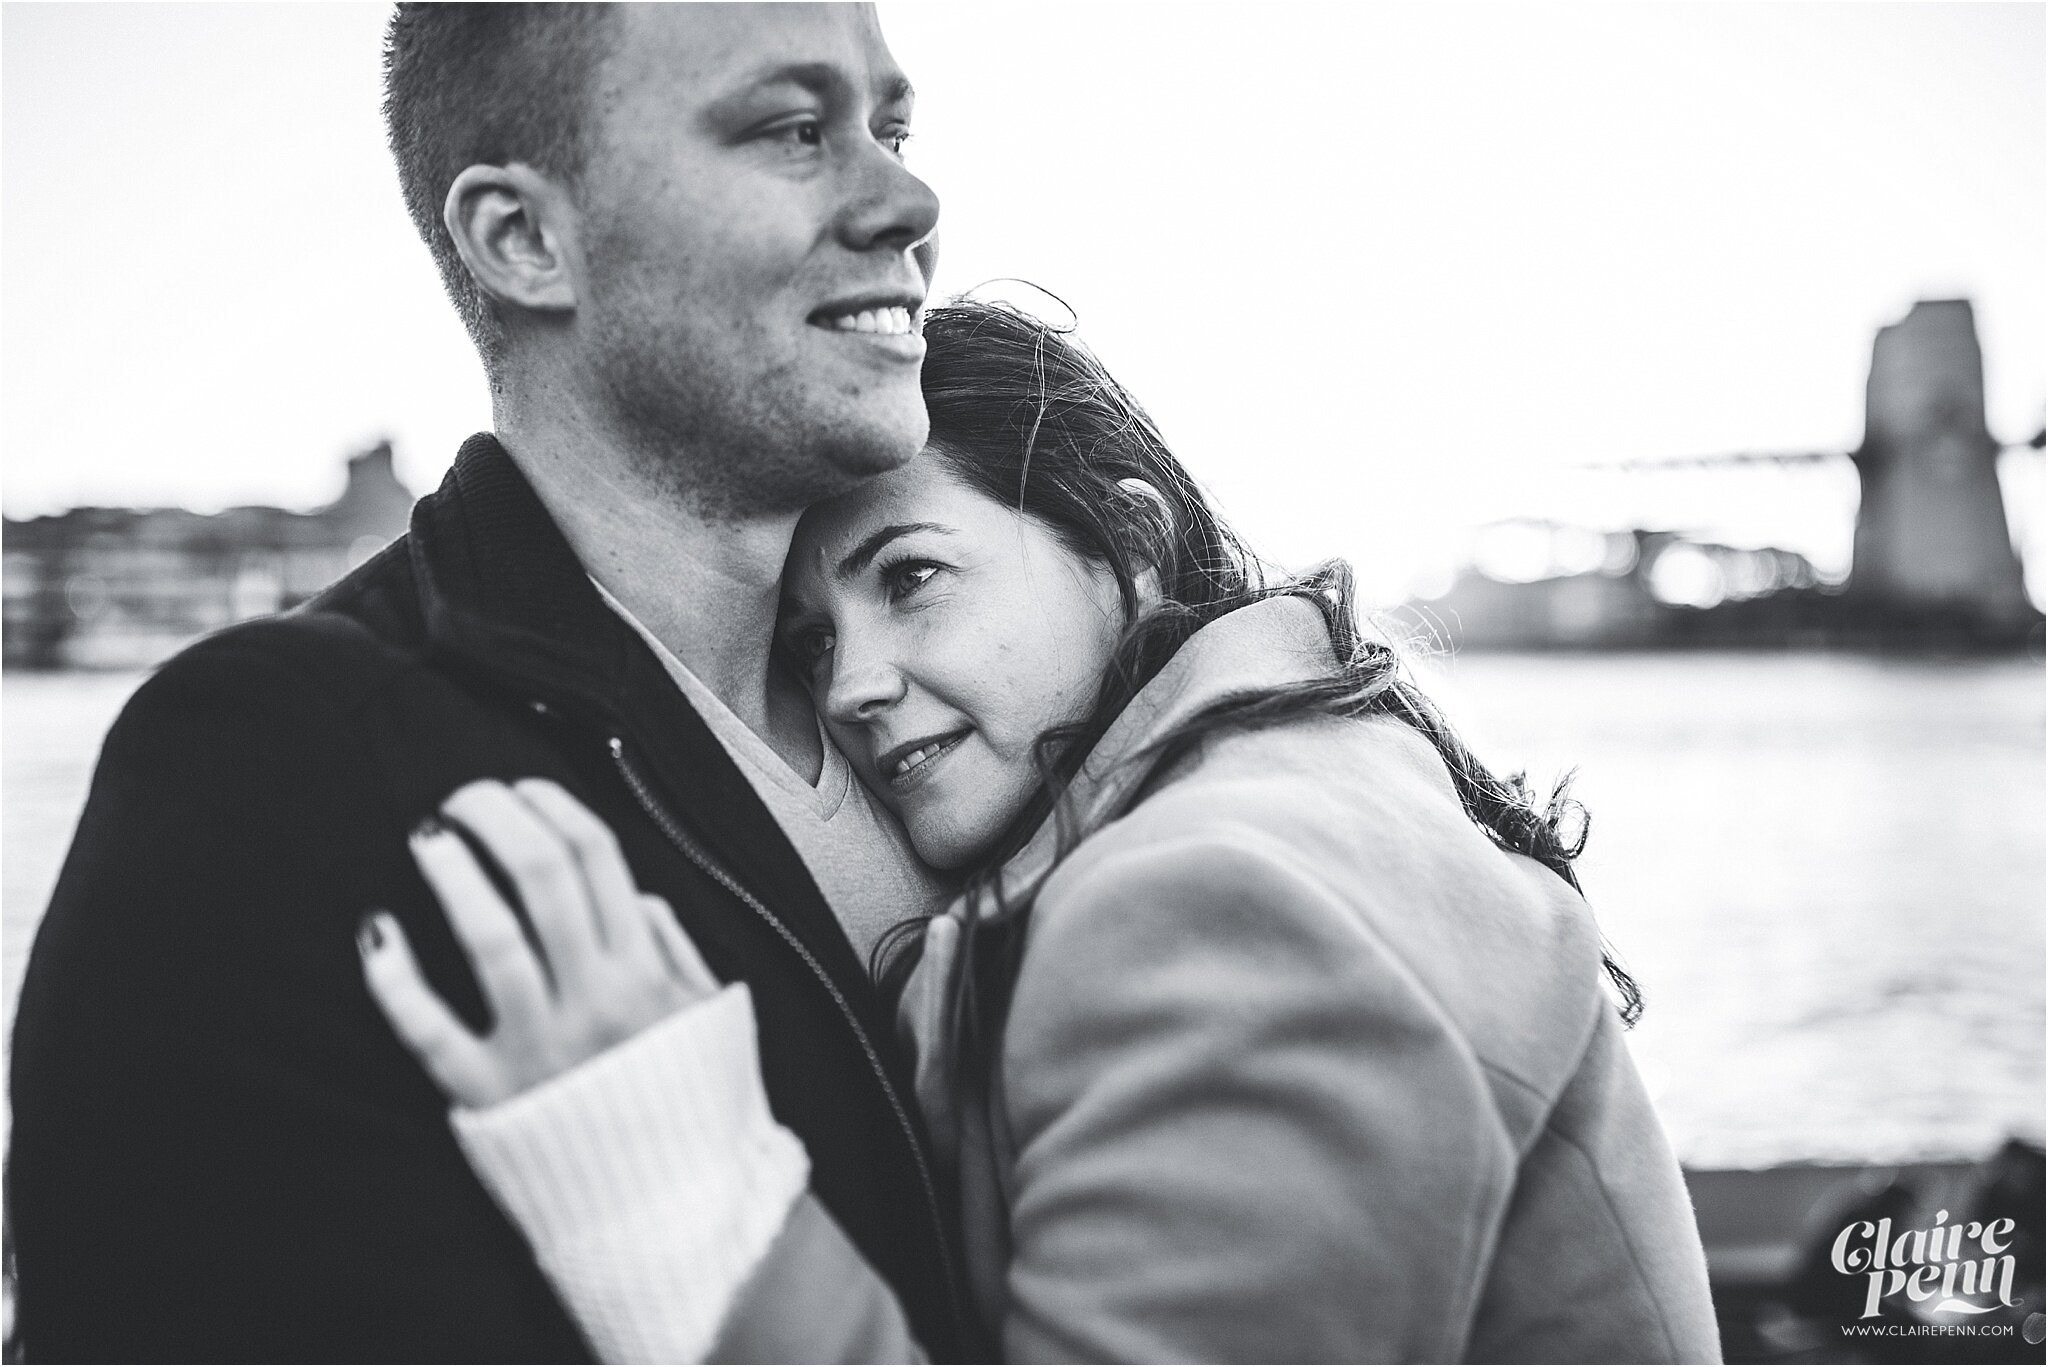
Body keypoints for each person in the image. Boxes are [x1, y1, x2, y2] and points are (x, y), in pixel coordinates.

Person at [362, 302, 1726, 1362]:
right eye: (813, 641)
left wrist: (675, 1199)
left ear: (1125, 548)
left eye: (914, 580)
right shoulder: (1290, 784)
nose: (850, 686)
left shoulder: (1225, 903)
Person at [6, 5, 977, 1359]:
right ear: (522, 239)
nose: (910, 197)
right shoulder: (291, 773)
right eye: (794, 130)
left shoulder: (972, 710)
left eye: (894, 127)